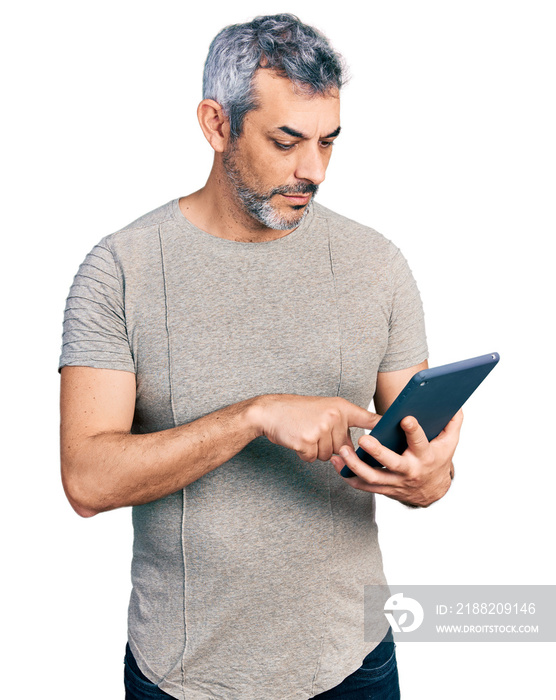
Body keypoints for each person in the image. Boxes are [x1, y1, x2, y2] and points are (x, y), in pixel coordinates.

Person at [59, 14, 461, 700]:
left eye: (328, 142)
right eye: (286, 141)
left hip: (353, 661)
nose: (314, 169)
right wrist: (255, 416)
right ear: (217, 125)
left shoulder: (377, 265)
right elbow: (87, 481)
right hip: (184, 677)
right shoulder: (120, 269)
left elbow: (426, 468)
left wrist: (427, 479)